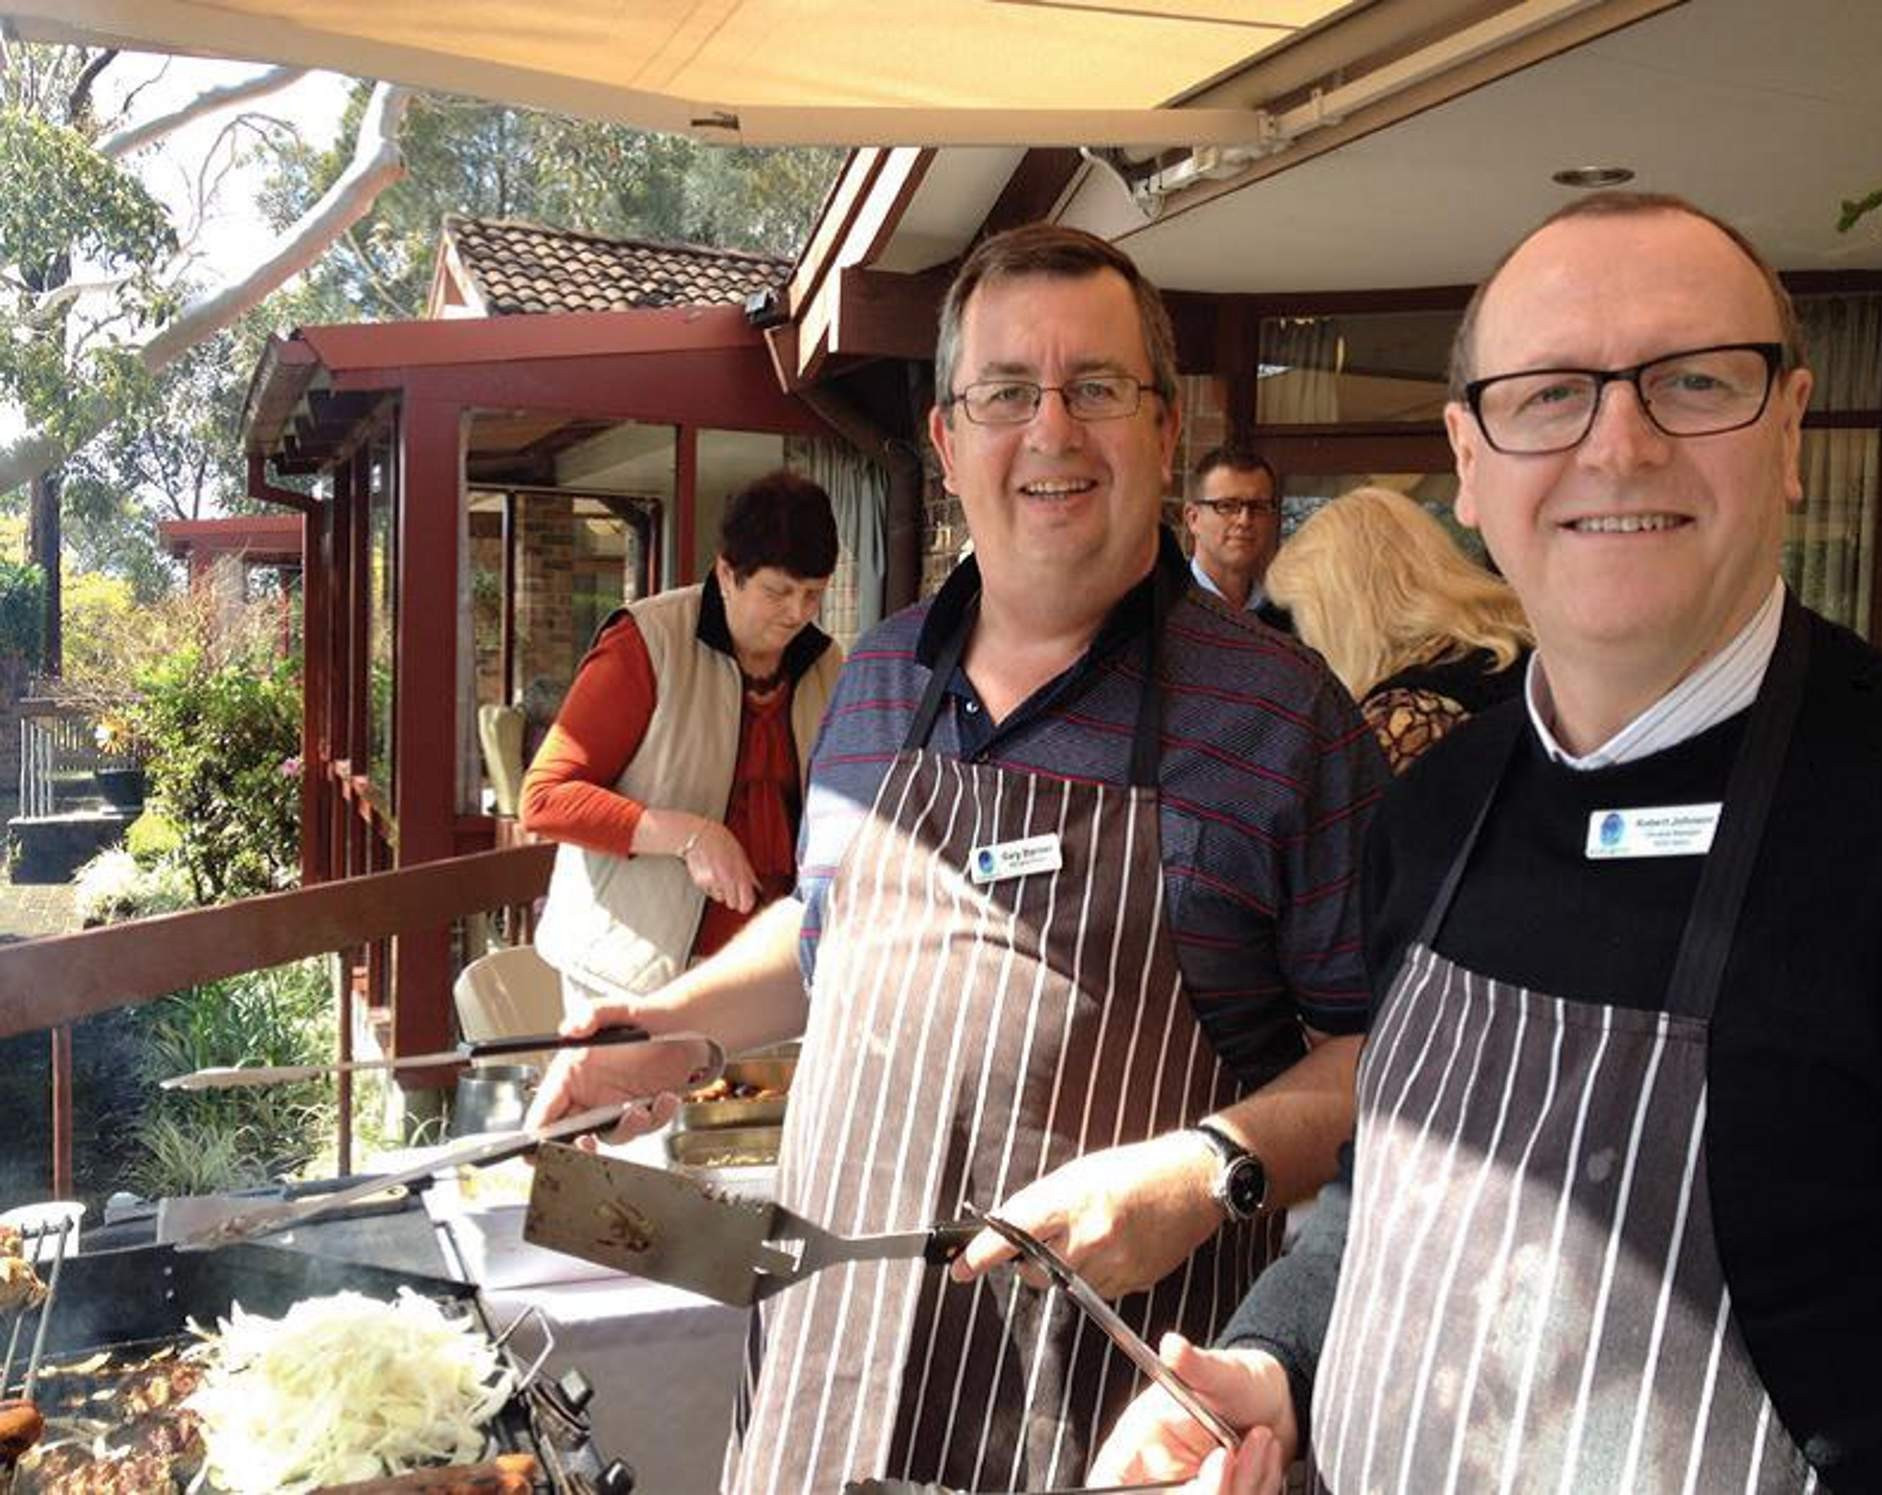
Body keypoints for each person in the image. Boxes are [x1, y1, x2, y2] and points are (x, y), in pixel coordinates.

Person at [1091, 192, 1882, 1494]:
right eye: (1549, 393)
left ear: (1792, 427)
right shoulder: (1432, 806)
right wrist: (1279, 1356)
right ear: (1469, 455)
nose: (1619, 444)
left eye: (1693, 380)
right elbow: (1388, 1183)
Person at [526, 223, 1388, 1492]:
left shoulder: (1280, 719)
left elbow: (1396, 1059)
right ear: (945, 439)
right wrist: (676, 1021)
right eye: (1002, 393)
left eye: (1094, 388)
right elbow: (835, 936)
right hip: (820, 1389)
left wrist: (1209, 1167)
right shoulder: (875, 679)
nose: (1049, 431)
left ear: (1161, 429)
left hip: (1103, 1425)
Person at [521, 470, 843, 1010]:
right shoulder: (645, 642)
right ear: (727, 573)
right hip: (629, 980)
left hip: (770, 976)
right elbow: (545, 799)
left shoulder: (828, 663)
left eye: (814, 593)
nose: (799, 614)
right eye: (778, 591)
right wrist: (689, 835)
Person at [1264, 485, 1531, 773]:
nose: (1306, 637)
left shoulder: (1406, 715)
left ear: (1346, 617)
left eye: (1304, 615)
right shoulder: (1515, 645)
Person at [1185, 444, 1292, 631]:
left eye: (1258, 507)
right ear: (1193, 518)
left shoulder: (1286, 622)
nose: (1244, 520)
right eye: (1227, 506)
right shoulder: (1158, 610)